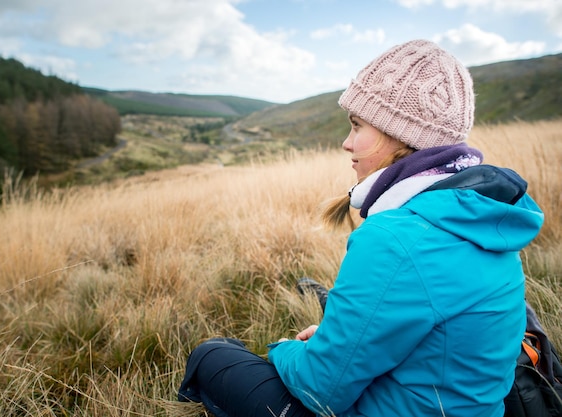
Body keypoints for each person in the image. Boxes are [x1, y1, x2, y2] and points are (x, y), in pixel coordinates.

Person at [177, 39, 545, 417]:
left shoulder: (396, 237)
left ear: (402, 134)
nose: (346, 142)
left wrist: (286, 348)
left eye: (357, 126)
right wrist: (334, 343)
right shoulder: (487, 219)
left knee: (213, 356)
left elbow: (320, 388)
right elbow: (438, 341)